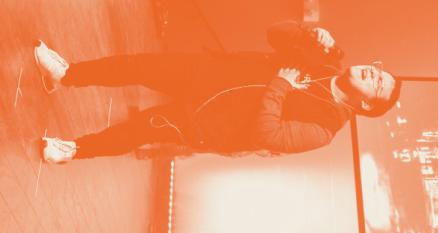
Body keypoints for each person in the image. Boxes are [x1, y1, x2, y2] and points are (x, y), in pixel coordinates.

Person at [34, 20, 401, 163]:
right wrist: (309, 33)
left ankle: (73, 150)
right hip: (208, 74)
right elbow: (274, 34)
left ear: (366, 104)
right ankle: (67, 75)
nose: (374, 73)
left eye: (378, 84)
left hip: (207, 123)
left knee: (138, 129)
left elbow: (268, 134)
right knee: (136, 66)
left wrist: (281, 87)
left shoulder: (324, 129)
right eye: (379, 71)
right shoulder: (325, 60)